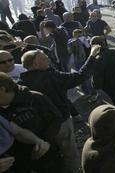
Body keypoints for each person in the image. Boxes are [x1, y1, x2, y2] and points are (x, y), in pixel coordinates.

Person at [20, 45, 100, 173]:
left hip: (40, 127)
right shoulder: (51, 77)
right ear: (35, 64)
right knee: (70, 152)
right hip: (61, 122)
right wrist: (92, 56)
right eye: (45, 59)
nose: (48, 60)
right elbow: (79, 76)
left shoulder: (22, 81)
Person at [0, 73, 64, 173]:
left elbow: (56, 119)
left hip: (46, 155)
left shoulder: (34, 98)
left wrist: (42, 142)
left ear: (2, 89)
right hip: (19, 163)